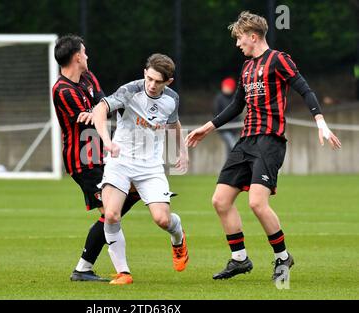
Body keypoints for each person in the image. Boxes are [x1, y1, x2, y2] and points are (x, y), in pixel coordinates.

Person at [185, 11, 341, 282]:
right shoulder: (246, 68)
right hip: (246, 140)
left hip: (270, 141)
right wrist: (207, 127)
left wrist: (321, 121)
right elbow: (236, 106)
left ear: (253, 37)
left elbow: (305, 89)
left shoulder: (279, 60)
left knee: (257, 202)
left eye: (240, 39)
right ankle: (239, 259)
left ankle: (282, 257)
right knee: (220, 201)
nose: (237, 44)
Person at [87, 53, 189, 285]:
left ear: (168, 82)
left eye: (158, 82)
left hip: (150, 166)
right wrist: (106, 140)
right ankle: (124, 273)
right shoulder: (129, 90)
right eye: (149, 78)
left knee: (162, 220)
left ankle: (178, 236)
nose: (152, 85)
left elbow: (173, 123)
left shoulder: (172, 99)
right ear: (145, 73)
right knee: (111, 214)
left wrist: (181, 151)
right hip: (120, 161)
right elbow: (100, 110)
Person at [51, 34, 140, 282]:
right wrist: (98, 111)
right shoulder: (62, 90)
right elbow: (89, 115)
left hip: (102, 155)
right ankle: (85, 269)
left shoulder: (88, 77)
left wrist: (102, 109)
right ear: (77, 56)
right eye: (85, 52)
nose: (88, 56)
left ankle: (83, 268)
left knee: (132, 194)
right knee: (110, 212)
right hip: (83, 160)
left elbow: (103, 105)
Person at [214, 77, 242, 155]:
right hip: (224, 129)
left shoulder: (235, 98)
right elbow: (217, 113)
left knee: (229, 150)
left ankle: (229, 165)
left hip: (234, 128)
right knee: (233, 146)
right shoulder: (219, 98)